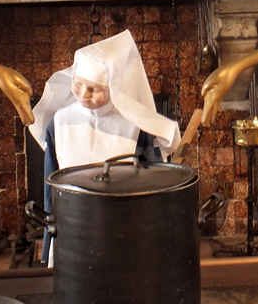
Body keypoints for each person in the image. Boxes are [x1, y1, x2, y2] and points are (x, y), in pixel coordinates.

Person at [27, 29, 181, 266]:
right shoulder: (60, 121)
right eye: (78, 85)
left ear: (115, 89)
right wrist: (51, 233)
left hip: (123, 224)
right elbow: (51, 184)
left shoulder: (135, 126)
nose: (84, 95)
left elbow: (154, 182)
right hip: (73, 224)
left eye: (94, 89)